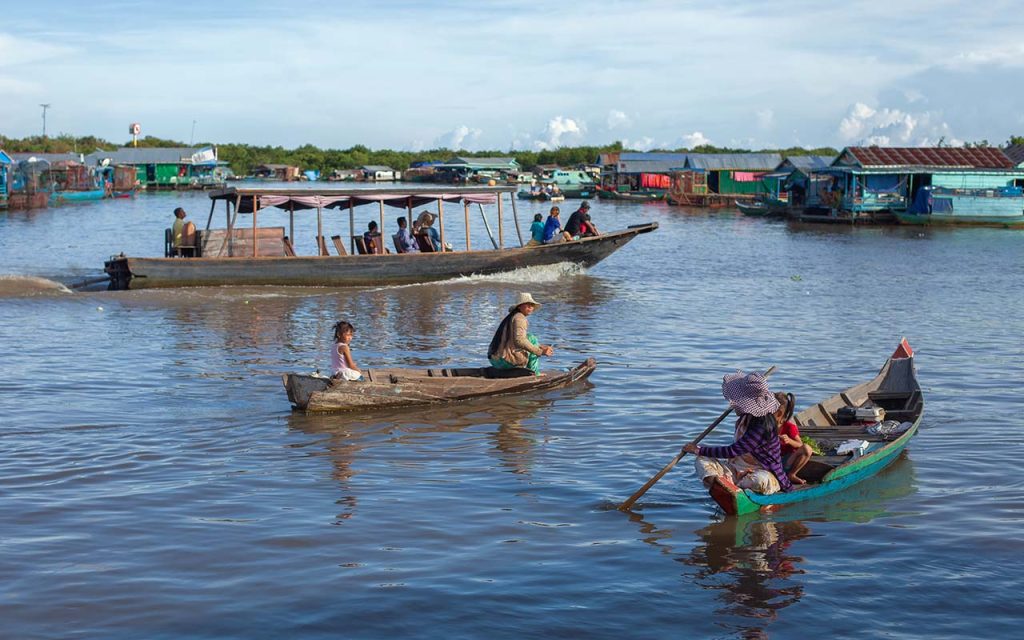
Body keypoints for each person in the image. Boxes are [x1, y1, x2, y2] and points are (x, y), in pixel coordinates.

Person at [683, 371, 793, 495]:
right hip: (737, 470)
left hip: (763, 472)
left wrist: (698, 449)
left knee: (758, 480)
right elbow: (734, 455)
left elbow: (732, 451)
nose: (733, 404)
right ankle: (725, 486)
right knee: (701, 461)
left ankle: (731, 490)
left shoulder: (762, 426)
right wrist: (701, 454)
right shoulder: (744, 420)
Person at [487, 292, 553, 376]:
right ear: (519, 306)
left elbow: (517, 340)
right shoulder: (520, 318)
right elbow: (520, 340)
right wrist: (540, 351)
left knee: (529, 338)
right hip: (504, 361)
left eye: (532, 304)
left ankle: (531, 371)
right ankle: (534, 373)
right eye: (527, 304)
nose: (530, 307)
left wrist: (540, 346)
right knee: (532, 338)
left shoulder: (512, 317)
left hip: (495, 360)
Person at [775, 391, 813, 485]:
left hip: (787, 460)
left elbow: (800, 445)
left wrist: (789, 441)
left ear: (779, 413)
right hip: (772, 461)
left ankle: (791, 475)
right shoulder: (766, 426)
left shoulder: (789, 427)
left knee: (806, 448)